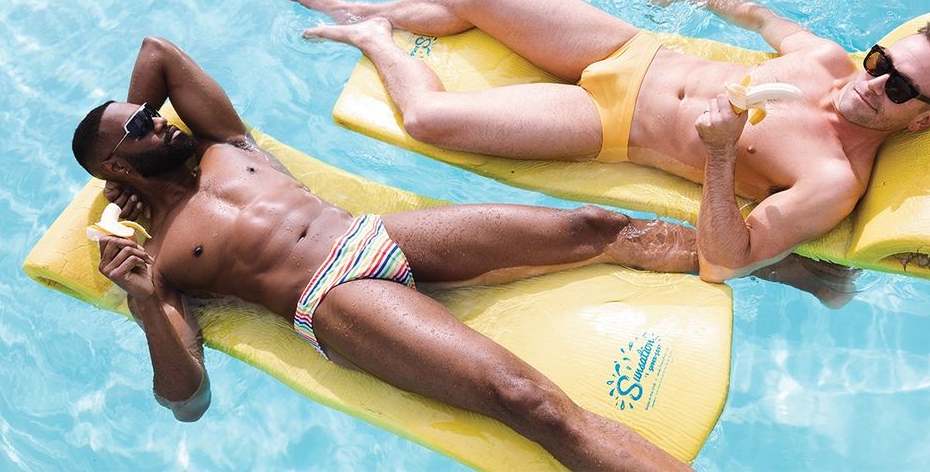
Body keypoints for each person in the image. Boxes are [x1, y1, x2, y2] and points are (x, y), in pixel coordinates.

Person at [72, 37, 703, 471]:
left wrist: (123, 156)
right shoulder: (158, 257)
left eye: (150, 112)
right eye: (141, 126)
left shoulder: (224, 144)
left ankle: (763, 263)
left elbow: (157, 51)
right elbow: (187, 401)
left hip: (376, 233)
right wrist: (148, 305)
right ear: (117, 162)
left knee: (598, 225)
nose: (159, 119)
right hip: (334, 299)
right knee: (526, 402)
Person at [287, 0, 930, 283]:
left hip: (611, 123)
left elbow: (728, 261)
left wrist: (721, 155)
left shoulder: (833, 179)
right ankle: (366, 8)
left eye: (899, 87)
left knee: (429, 119)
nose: (873, 82)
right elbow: (765, 18)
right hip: (627, 50)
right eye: (880, 61)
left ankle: (376, 40)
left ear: (925, 120)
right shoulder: (823, 59)